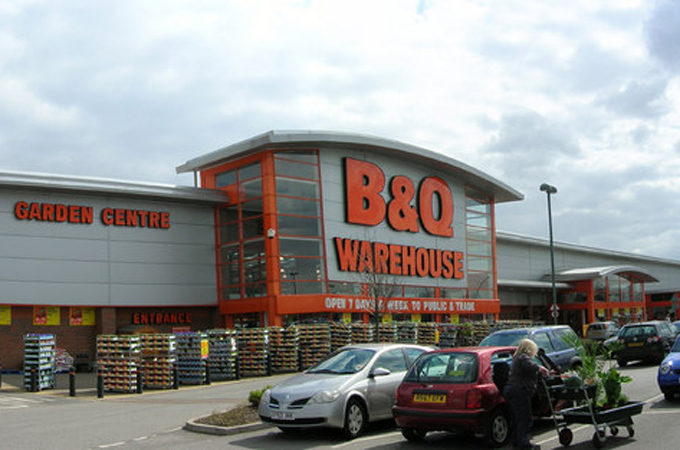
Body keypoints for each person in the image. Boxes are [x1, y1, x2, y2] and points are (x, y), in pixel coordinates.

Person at [503, 339, 550, 450]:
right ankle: (524, 444)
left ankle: (517, 442)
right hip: (520, 390)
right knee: (524, 418)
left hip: (511, 389)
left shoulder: (516, 358)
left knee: (516, 418)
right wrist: (540, 368)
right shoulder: (523, 357)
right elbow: (530, 366)